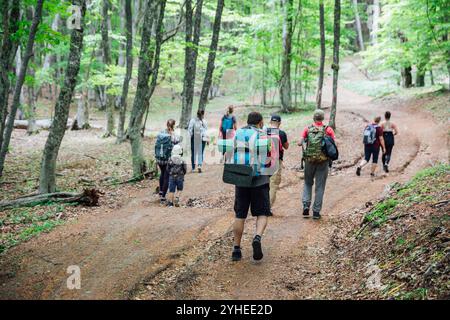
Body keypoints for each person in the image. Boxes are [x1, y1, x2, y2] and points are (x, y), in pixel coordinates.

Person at [231, 112, 272, 262]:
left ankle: (236, 249)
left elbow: (229, 153)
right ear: (260, 122)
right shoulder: (263, 136)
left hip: (241, 178)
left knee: (240, 214)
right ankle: (257, 237)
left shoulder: (238, 134)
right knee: (262, 213)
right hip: (260, 179)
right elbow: (269, 157)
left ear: (247, 122)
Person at [298, 110, 336, 220]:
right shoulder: (328, 129)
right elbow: (333, 143)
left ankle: (306, 205)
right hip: (323, 161)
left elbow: (300, 142)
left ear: (313, 118)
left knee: (308, 182)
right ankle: (316, 212)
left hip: (309, 160)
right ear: (322, 118)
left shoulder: (307, 129)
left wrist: (304, 142)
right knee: (320, 186)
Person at [155, 119, 181, 204]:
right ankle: (163, 197)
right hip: (168, 159)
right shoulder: (174, 135)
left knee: (162, 174)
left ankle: (161, 192)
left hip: (159, 158)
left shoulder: (161, 133)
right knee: (167, 176)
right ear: (174, 125)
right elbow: (178, 144)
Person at [267, 114, 289, 207]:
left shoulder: (263, 131)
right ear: (279, 123)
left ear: (270, 122)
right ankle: (267, 207)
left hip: (263, 160)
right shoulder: (281, 133)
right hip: (275, 161)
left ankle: (260, 206)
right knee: (273, 184)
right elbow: (286, 147)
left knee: (263, 184)